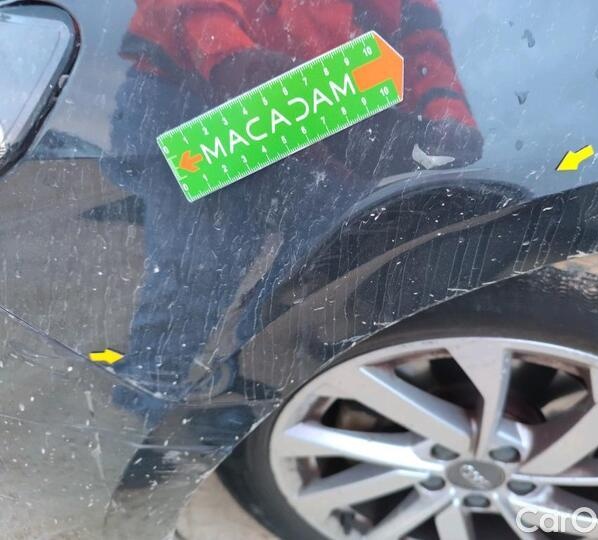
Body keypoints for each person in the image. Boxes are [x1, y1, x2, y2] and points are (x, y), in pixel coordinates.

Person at [103, 0, 484, 410]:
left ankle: (246, 395)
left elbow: (419, 30)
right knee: (201, 265)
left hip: (320, 104)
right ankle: (149, 397)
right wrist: (231, 57)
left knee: (313, 271)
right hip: (199, 89)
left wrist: (448, 119)